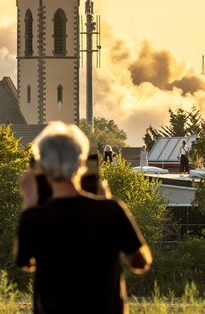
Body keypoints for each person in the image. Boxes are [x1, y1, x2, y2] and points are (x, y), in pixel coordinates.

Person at [16, 122, 152, 314]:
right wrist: (105, 202)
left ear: (42, 167)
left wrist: (30, 201)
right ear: (81, 163)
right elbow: (140, 263)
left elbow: (26, 262)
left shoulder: (34, 218)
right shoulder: (110, 211)